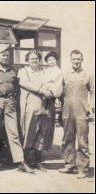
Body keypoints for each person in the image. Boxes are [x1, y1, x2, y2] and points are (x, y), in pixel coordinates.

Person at [0, 44, 34, 173]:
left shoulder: (13, 70)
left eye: (7, 55)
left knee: (13, 132)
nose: (5, 57)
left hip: (10, 103)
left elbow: (18, 88)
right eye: (3, 55)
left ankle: (20, 161)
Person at [18, 50, 62, 172]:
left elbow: (51, 84)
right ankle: (25, 162)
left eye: (36, 58)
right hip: (30, 106)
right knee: (29, 132)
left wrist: (50, 91)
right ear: (27, 60)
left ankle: (38, 161)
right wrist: (41, 90)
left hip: (46, 106)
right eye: (32, 58)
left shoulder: (43, 71)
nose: (34, 60)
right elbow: (24, 83)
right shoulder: (24, 71)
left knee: (42, 133)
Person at [59, 50, 94, 179]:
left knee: (82, 141)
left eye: (78, 59)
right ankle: (69, 164)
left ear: (82, 59)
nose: (76, 61)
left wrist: (92, 108)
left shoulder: (88, 75)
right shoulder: (65, 75)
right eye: (74, 59)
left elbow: (93, 92)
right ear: (70, 60)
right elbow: (59, 92)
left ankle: (83, 168)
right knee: (67, 139)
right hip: (67, 111)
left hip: (82, 112)